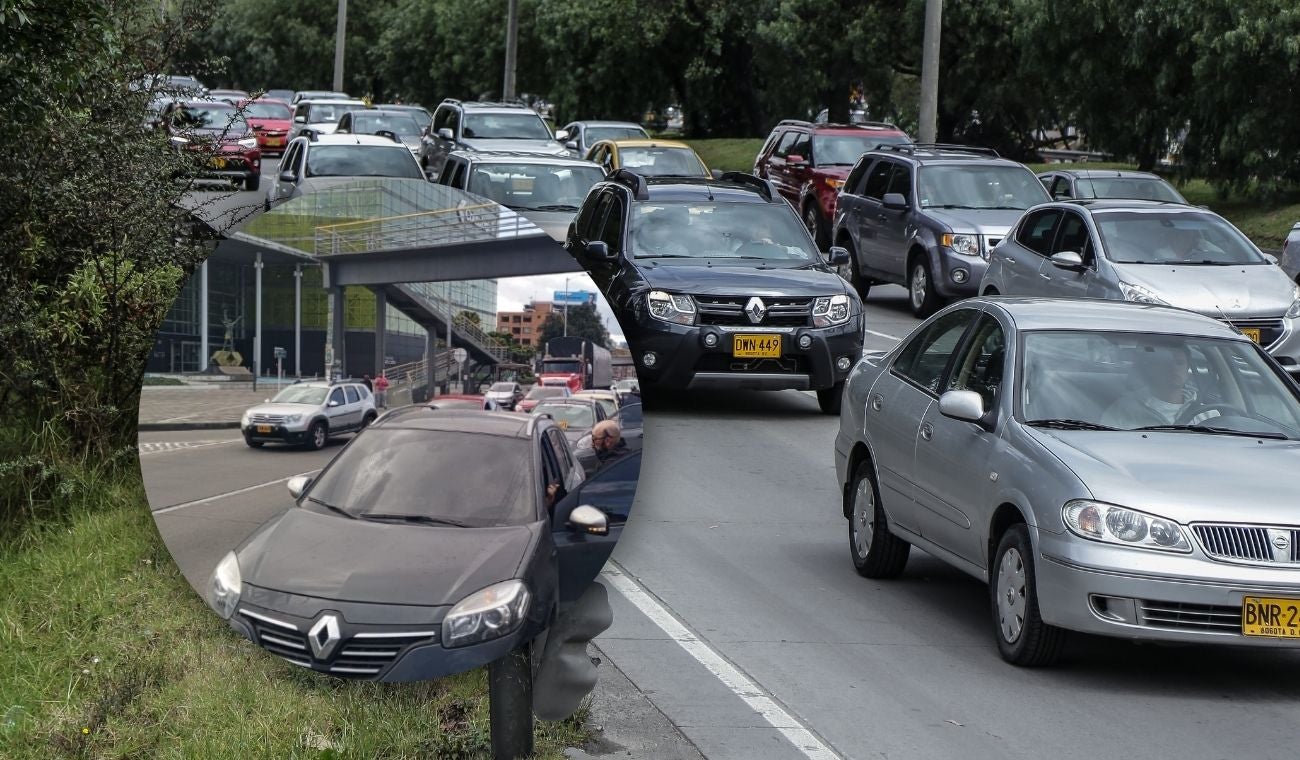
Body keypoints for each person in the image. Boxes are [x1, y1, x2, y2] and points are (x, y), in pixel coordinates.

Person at [1100, 344, 1218, 428]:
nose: (1174, 368)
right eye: (1165, 363)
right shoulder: (1123, 410)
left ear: (1187, 370)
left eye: (1179, 363)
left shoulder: (1208, 413)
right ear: (1150, 369)